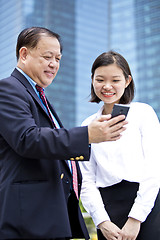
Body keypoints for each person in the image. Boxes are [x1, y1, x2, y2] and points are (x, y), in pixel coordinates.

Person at [0, 28, 127, 240]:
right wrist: (86, 135)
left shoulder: (38, 95)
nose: (54, 64)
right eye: (47, 57)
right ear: (24, 54)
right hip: (27, 217)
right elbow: (27, 139)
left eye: (58, 58)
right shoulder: (8, 90)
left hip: (49, 212)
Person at [80, 51, 160, 240]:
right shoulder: (87, 125)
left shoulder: (143, 113)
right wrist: (102, 221)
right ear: (92, 80)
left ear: (127, 80)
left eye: (115, 80)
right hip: (107, 211)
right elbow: (86, 180)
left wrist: (136, 218)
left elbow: (154, 168)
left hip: (147, 206)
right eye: (100, 79)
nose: (107, 86)